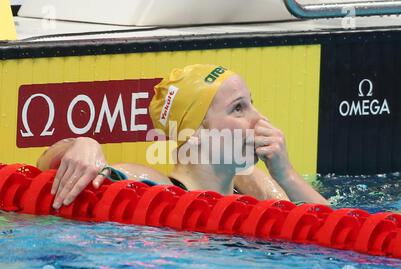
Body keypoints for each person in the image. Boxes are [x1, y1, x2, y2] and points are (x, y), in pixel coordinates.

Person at [36, 64, 329, 210]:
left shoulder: (251, 183)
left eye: (251, 103)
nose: (259, 118)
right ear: (196, 132)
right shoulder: (153, 186)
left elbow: (332, 234)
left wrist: (286, 174)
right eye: (239, 108)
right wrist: (82, 144)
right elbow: (45, 167)